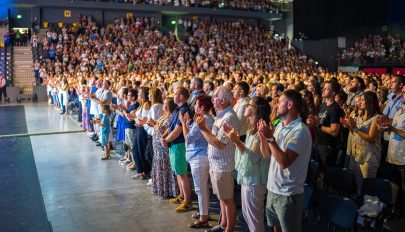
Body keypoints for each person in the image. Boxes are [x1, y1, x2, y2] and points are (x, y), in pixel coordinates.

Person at [258, 89, 312, 232]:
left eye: (280, 101)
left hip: (289, 194)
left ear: (290, 104)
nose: (276, 105)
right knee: (276, 229)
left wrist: (270, 139)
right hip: (273, 188)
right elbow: (266, 154)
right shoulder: (280, 125)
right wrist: (264, 138)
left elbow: (284, 162)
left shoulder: (300, 131)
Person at [195, 86, 240, 232]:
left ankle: (229, 229)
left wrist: (202, 128)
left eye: (214, 97)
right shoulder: (221, 115)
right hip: (216, 164)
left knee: (228, 200)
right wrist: (205, 127)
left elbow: (219, 143)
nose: (212, 100)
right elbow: (214, 137)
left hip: (224, 165)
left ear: (222, 100)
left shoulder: (229, 117)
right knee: (222, 198)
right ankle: (223, 225)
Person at [223, 96, 271, 232]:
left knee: (254, 218)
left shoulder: (260, 130)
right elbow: (248, 151)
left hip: (256, 180)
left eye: (249, 105)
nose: (245, 106)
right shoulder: (252, 129)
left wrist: (236, 141)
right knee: (247, 215)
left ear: (256, 110)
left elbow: (254, 157)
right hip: (249, 177)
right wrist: (236, 140)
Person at [179, 94, 214, 229]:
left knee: (200, 189)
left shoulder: (203, 118)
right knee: (203, 188)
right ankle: (203, 212)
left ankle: (204, 218)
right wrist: (188, 124)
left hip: (199, 158)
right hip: (203, 157)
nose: (194, 106)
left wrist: (183, 123)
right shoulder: (209, 117)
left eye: (197, 104)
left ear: (202, 107)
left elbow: (188, 138)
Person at [161, 87, 193, 213]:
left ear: (181, 97)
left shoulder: (185, 110)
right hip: (174, 144)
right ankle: (182, 196)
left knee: (182, 174)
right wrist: (164, 137)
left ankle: (187, 201)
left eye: (175, 94)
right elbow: (171, 127)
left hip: (180, 145)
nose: (173, 96)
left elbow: (177, 131)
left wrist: (166, 140)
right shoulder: (177, 109)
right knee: (178, 172)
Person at [343, 91, 381, 193]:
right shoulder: (360, 116)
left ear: (370, 102)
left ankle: (369, 206)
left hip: (369, 157)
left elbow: (370, 138)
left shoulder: (377, 118)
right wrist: (350, 125)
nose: (360, 102)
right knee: (359, 184)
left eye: (363, 100)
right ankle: (360, 203)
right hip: (356, 156)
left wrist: (355, 128)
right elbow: (355, 133)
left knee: (368, 187)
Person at [377, 84, 405, 216]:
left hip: (403, 158)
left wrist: (392, 128)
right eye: (403, 92)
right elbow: (394, 124)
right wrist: (386, 122)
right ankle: (394, 209)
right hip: (393, 154)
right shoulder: (400, 109)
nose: (403, 95)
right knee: (393, 185)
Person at [308, 80, 343, 169]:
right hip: (318, 143)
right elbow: (318, 123)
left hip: (328, 147)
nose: (323, 90)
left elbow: (334, 131)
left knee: (325, 173)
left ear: (333, 93)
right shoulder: (322, 105)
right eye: (323, 88)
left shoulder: (335, 109)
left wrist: (318, 125)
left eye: (326, 89)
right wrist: (311, 123)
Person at [150, 97, 178, 199]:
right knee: (158, 165)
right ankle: (160, 188)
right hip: (157, 146)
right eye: (164, 103)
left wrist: (154, 125)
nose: (164, 106)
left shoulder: (171, 117)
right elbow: (157, 125)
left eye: (166, 104)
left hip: (163, 146)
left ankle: (169, 190)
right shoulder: (164, 115)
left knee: (165, 167)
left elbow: (167, 130)